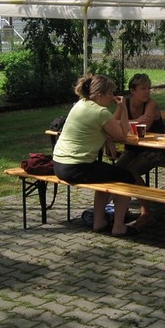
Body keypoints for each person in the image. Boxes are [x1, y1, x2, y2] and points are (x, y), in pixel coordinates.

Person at [53, 74, 138, 236]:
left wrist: (107, 139)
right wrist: (123, 109)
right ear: (99, 95)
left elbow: (97, 128)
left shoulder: (81, 104)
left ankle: (99, 222)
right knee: (126, 177)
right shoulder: (101, 112)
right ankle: (119, 227)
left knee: (104, 176)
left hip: (58, 164)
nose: (113, 97)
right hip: (76, 167)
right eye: (110, 93)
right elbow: (122, 136)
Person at [115, 73, 165, 228]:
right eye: (143, 89)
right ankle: (121, 208)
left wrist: (125, 123)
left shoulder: (151, 104)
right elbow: (112, 122)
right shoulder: (124, 103)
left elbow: (145, 127)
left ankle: (146, 212)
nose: (147, 92)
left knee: (131, 170)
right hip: (133, 148)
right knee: (117, 170)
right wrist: (135, 120)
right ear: (132, 91)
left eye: (148, 88)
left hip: (155, 148)